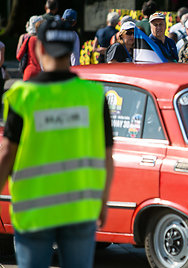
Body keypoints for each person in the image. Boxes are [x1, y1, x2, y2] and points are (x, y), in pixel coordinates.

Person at [0, 19, 114, 268]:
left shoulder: (23, 97)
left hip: (34, 212)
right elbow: (108, 157)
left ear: (39, 48)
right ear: (69, 48)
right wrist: (103, 203)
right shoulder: (94, 96)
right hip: (80, 211)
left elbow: (7, 154)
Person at [16, 16, 43, 81]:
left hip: (29, 71)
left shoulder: (27, 39)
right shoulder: (45, 40)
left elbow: (18, 56)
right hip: (42, 74)